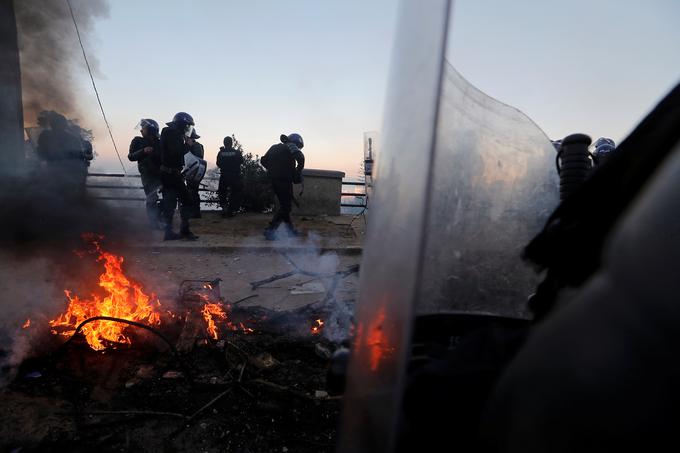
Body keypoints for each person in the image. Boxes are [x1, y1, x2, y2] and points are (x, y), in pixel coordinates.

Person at [159, 112, 198, 241]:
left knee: (175, 202)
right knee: (181, 201)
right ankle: (180, 231)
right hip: (170, 175)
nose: (188, 129)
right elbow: (176, 152)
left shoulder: (171, 133)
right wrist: (188, 145)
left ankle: (174, 231)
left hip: (172, 174)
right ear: (182, 125)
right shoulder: (172, 133)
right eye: (187, 126)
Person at [260, 133, 305, 240]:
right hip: (284, 181)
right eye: (299, 146)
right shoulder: (291, 146)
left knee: (285, 206)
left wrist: (273, 169)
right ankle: (270, 230)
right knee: (286, 207)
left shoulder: (274, 147)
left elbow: (263, 160)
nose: (298, 148)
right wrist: (297, 171)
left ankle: (290, 231)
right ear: (296, 142)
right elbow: (301, 158)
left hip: (273, 181)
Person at [36, 111, 91, 196]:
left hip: (62, 173)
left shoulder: (46, 136)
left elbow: (40, 152)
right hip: (57, 173)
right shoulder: (46, 136)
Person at [128, 118, 163, 228]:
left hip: (162, 173)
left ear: (150, 130)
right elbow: (131, 156)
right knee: (151, 198)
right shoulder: (138, 141)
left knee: (167, 197)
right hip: (148, 174)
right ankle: (153, 223)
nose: (141, 130)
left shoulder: (160, 141)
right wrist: (143, 151)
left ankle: (163, 219)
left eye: (143, 128)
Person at [216, 136, 243, 218]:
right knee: (234, 193)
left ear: (224, 143)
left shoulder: (221, 153)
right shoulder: (237, 152)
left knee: (222, 192)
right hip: (235, 176)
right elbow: (241, 161)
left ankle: (224, 208)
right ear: (231, 143)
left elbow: (218, 164)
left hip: (224, 175)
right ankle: (231, 210)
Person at [185, 130, 204, 218]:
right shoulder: (196, 146)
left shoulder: (196, 146)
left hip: (193, 173)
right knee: (192, 192)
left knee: (193, 192)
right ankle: (194, 211)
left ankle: (195, 212)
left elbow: (196, 160)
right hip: (191, 173)